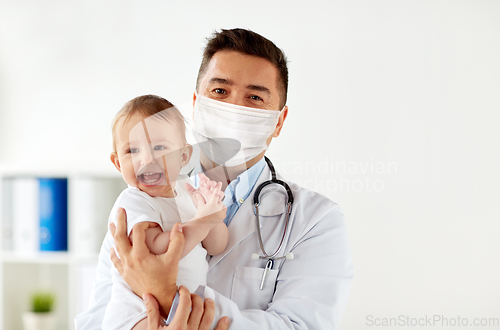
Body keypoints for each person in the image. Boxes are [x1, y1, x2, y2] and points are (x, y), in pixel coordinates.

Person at [76, 28, 353, 330]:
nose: (234, 108)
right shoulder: (146, 199)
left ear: (279, 122)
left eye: (255, 97)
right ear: (195, 105)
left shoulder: (316, 221)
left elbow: (301, 327)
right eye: (220, 91)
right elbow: (96, 320)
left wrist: (168, 295)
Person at [88, 95, 229, 329]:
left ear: (183, 156)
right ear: (117, 163)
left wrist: (212, 216)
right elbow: (154, 250)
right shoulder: (133, 201)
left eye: (160, 147)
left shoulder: (187, 195)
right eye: (132, 150)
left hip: (182, 309)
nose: (147, 159)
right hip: (137, 313)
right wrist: (202, 222)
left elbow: (217, 246)